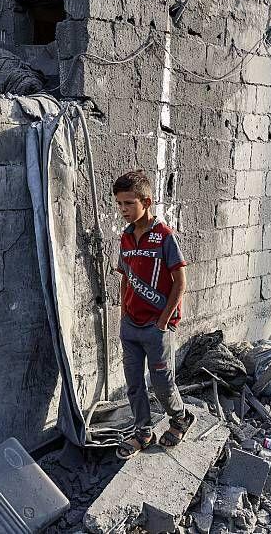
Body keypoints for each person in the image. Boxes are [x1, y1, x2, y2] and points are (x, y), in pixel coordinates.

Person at [112, 170, 194, 460]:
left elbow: (181, 282)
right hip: (130, 326)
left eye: (128, 204)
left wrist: (163, 321)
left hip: (156, 327)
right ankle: (142, 432)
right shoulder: (125, 237)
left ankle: (181, 418)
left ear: (146, 201)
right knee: (134, 385)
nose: (123, 210)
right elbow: (124, 276)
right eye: (119, 204)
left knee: (162, 384)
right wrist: (123, 312)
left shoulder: (164, 237)